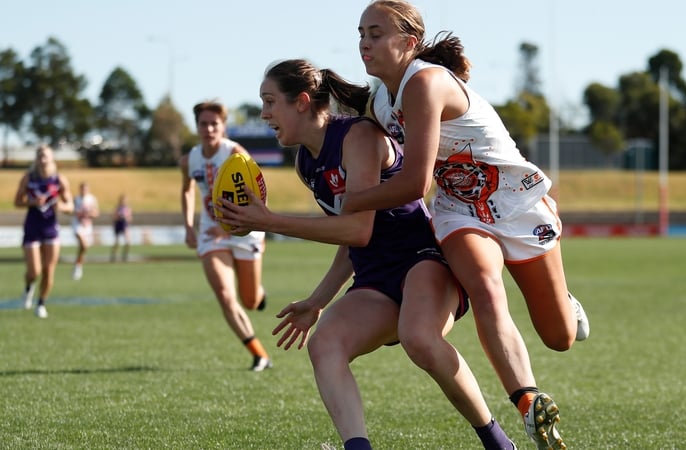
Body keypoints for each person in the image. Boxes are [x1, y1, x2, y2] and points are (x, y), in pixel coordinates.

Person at [216, 59, 516, 450]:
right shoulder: (307, 161)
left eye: (270, 101)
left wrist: (270, 221)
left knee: (420, 339)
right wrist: (317, 302)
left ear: (302, 102)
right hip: (375, 277)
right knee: (325, 344)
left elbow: (359, 229)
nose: (264, 113)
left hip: (423, 261)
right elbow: (350, 240)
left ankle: (498, 444)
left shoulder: (357, 137)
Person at [346, 2, 591, 448]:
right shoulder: (378, 99)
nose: (364, 42)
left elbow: (415, 183)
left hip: (516, 203)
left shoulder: (425, 82)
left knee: (560, 337)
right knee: (482, 281)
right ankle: (527, 398)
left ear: (409, 43)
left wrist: (352, 201)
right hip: (460, 208)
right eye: (361, 32)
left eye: (376, 33)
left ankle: (565, 301)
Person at [179, 100, 272, 372]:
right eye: (203, 124)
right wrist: (188, 226)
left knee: (250, 301)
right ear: (196, 127)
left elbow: (259, 193)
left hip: (245, 231)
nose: (208, 128)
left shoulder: (236, 154)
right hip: (210, 233)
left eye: (214, 123)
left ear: (223, 127)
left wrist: (229, 226)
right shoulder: (189, 160)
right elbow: (185, 190)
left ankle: (258, 292)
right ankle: (259, 354)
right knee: (224, 295)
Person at [13, 144, 74, 318]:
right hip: (32, 227)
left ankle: (41, 303)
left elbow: (70, 205)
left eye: (46, 155)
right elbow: (17, 201)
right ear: (36, 158)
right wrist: (32, 203)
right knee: (34, 271)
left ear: (52, 158)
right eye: (40, 155)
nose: (43, 158)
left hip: (50, 229)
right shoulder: (28, 178)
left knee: (49, 270)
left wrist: (61, 206)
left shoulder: (59, 179)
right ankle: (29, 287)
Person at [71, 181, 99, 280]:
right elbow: (71, 211)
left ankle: (78, 265)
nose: (84, 191)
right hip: (77, 225)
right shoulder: (76, 199)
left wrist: (88, 214)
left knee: (84, 248)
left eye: (85, 189)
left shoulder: (92, 199)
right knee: (83, 245)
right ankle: (78, 266)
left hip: (87, 226)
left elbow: (96, 213)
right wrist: (77, 213)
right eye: (82, 189)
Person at [110, 194, 132, 262]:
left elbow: (130, 218)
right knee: (117, 243)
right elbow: (114, 217)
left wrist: (126, 217)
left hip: (124, 225)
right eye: (123, 200)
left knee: (128, 242)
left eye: (125, 200)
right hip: (118, 225)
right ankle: (114, 255)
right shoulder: (117, 208)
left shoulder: (128, 208)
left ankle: (125, 255)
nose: (124, 201)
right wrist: (118, 217)